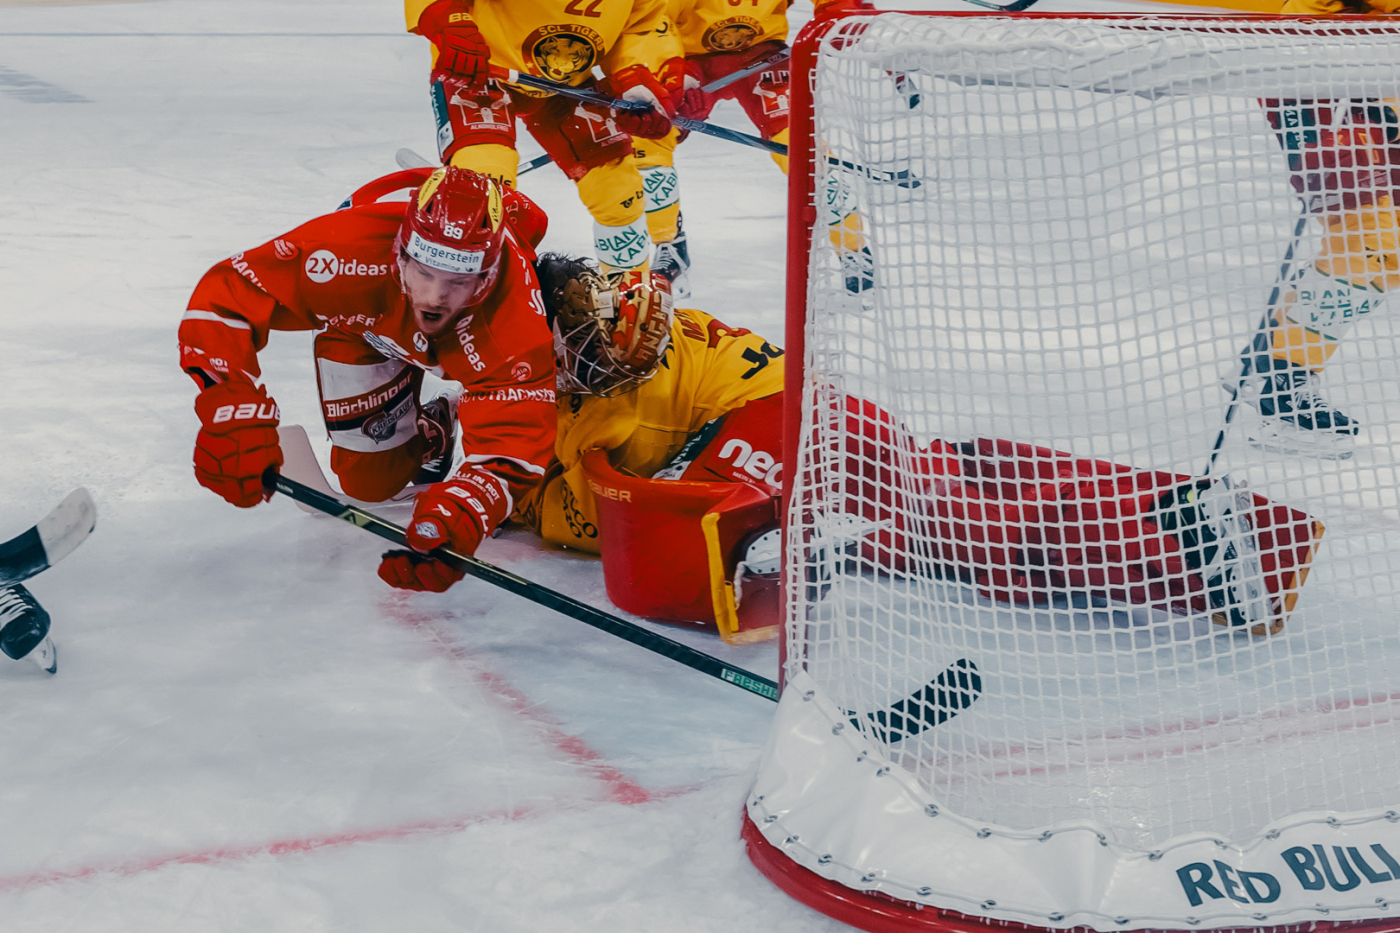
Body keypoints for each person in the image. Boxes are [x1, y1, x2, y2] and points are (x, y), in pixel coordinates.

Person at [499, 255, 1323, 641]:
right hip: (814, 405)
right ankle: (1158, 504)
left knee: (948, 532)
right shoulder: (577, 374)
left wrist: (517, 499)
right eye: (603, 338)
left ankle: (1187, 551)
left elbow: (592, 519)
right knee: (935, 500)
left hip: (771, 424)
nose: (623, 348)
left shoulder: (584, 411)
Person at [180, 166, 558, 591]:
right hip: (366, 329)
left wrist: (464, 513)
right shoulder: (347, 248)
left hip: (467, 351)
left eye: (458, 280)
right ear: (399, 251)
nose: (434, 297)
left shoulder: (514, 325)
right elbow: (229, 291)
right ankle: (435, 426)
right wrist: (229, 403)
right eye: (424, 270)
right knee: (370, 484)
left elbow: (513, 446)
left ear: (488, 276)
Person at [404, 0, 687, 283]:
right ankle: (481, 305)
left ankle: (629, 299)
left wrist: (634, 77)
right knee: (486, 184)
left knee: (619, 190)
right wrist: (449, 20)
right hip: (480, 70)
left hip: (569, 80)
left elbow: (639, 27)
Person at [1239, 0, 1400, 451]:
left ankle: (1265, 362)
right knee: (1366, 238)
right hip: (1316, 59)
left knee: (1392, 250)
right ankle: (1283, 392)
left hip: (1378, 61)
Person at [630, 0, 874, 297]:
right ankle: (669, 243)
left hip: (763, 57)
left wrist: (837, 11)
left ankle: (853, 249)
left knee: (801, 147)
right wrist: (665, 67)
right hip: (687, 60)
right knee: (649, 142)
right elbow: (649, 19)